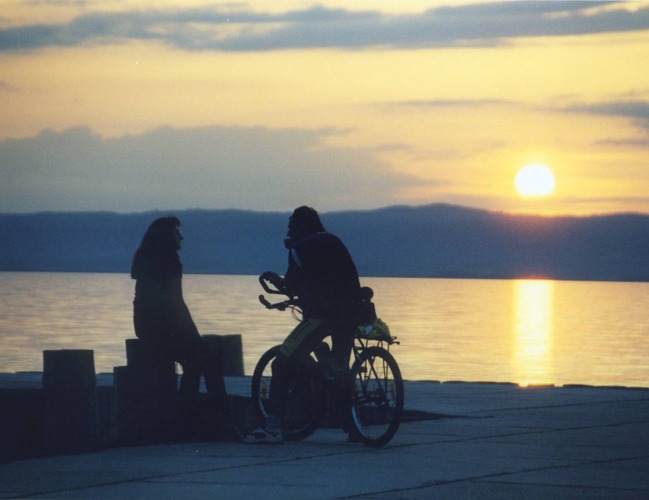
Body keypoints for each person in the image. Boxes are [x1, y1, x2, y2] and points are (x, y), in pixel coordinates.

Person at [243, 206, 362, 444]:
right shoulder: (334, 241)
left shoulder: (300, 248)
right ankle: (353, 427)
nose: (288, 230)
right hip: (351, 313)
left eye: (291, 225)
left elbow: (291, 284)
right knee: (339, 369)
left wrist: (274, 279)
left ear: (303, 225)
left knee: (282, 362)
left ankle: (273, 427)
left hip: (321, 316)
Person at [131, 216, 231, 438]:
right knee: (210, 362)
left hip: (146, 327)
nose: (182, 237)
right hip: (165, 327)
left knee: (194, 364)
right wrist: (194, 336)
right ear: (167, 236)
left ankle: (187, 422)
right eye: (178, 233)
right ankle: (222, 421)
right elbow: (176, 304)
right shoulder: (170, 262)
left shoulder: (146, 259)